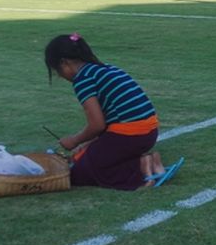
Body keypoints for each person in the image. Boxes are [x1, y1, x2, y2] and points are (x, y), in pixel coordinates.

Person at [44, 33, 184, 190]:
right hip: (149, 133)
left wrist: (74, 140)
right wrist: (89, 144)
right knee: (90, 154)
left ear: (64, 62)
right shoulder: (106, 68)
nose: (61, 76)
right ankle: (149, 161)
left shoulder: (82, 79)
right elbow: (111, 121)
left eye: (58, 71)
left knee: (79, 172)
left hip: (129, 136)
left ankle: (142, 166)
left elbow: (97, 124)